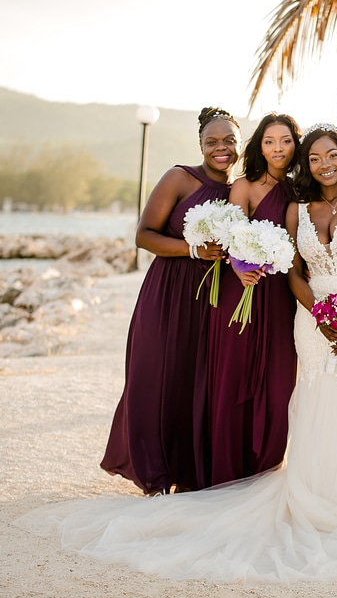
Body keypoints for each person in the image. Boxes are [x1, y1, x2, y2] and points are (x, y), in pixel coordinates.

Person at [18, 125, 337, 582]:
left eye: (326, 154)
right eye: (307, 154)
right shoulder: (289, 202)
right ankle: (310, 488)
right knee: (314, 396)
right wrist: (316, 310)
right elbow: (281, 264)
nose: (319, 162)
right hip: (303, 309)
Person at [100, 107, 240, 495]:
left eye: (229, 140)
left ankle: (190, 473)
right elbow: (143, 235)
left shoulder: (241, 190)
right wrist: (192, 249)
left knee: (195, 384)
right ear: (200, 145)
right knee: (155, 378)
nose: (221, 148)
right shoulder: (180, 178)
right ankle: (154, 475)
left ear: (241, 144)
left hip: (211, 301)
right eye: (212, 141)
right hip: (168, 293)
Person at [205, 113, 301, 486]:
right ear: (259, 146)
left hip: (280, 297)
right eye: (269, 141)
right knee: (233, 380)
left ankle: (265, 472)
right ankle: (227, 473)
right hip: (241, 288)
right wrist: (239, 266)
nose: (278, 149)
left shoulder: (299, 190)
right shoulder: (243, 186)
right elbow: (231, 236)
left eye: (286, 141)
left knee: (278, 387)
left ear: (296, 145)